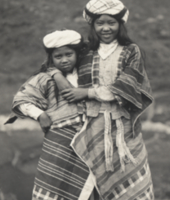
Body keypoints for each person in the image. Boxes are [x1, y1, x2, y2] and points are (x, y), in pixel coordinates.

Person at [50, 0, 155, 199]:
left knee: (131, 179)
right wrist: (56, 75)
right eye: (100, 23)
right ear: (92, 25)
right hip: (90, 126)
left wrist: (87, 93)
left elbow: (127, 85)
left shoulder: (131, 51)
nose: (105, 28)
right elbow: (54, 62)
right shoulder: (84, 51)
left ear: (120, 25)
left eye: (111, 23)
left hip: (123, 127)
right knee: (91, 183)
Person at [6, 30, 97, 200]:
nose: (64, 60)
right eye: (58, 56)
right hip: (59, 142)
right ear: (51, 59)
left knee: (91, 186)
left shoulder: (89, 74)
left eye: (69, 54)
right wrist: (40, 115)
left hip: (90, 140)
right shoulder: (44, 78)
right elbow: (21, 100)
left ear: (77, 53)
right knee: (55, 187)